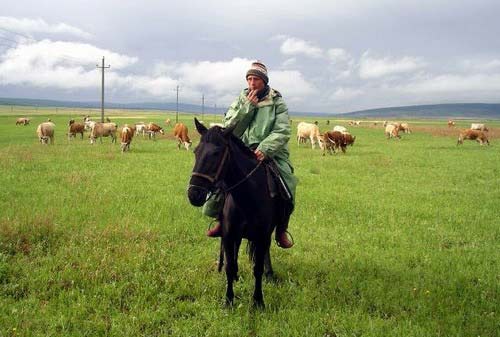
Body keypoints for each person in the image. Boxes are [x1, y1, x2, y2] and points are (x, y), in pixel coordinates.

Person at [202, 61, 297, 248]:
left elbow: (283, 130)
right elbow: (229, 129)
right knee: (222, 179)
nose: (252, 83)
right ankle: (221, 220)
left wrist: (265, 149)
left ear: (264, 81)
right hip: (241, 150)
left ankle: (281, 229)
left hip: (270, 152)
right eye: (249, 79)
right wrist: (247, 108)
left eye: (256, 79)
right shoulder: (241, 99)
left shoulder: (277, 101)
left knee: (288, 183)